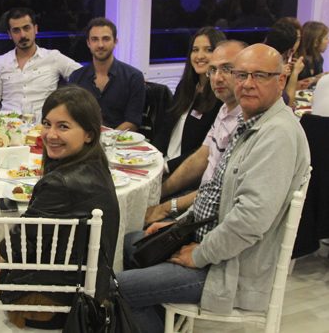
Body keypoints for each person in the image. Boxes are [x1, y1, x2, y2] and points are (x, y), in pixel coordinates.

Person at [118, 44, 310, 333]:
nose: (247, 83)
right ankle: (161, 318)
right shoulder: (249, 121)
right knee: (132, 243)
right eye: (241, 74)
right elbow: (215, 193)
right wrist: (178, 227)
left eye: (259, 75)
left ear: (281, 80)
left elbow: (249, 221)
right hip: (213, 242)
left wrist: (200, 254)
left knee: (118, 287)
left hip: (231, 268)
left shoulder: (276, 136)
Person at [0, 85, 119, 329]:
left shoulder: (59, 184)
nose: (50, 134)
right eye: (47, 124)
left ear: (89, 134)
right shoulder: (97, 165)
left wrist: (3, 254)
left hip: (56, 304)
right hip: (89, 289)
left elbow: (15, 246)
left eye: (63, 126)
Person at [148, 40, 245, 218]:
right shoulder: (225, 109)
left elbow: (220, 190)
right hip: (198, 203)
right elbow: (202, 156)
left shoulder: (248, 122)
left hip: (208, 216)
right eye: (213, 70)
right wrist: (159, 194)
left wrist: (166, 207)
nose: (217, 78)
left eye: (227, 69)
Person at [153, 27, 225, 175]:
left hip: (184, 173)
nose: (199, 56)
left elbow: (202, 150)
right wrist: (151, 157)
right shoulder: (185, 86)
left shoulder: (220, 97)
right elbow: (166, 127)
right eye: (195, 50)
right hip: (162, 163)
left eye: (208, 50)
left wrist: (166, 167)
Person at [0, 7, 81, 116]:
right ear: (10, 34)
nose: (22, 35)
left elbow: (83, 75)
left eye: (26, 28)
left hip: (43, 123)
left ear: (35, 29)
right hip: (8, 123)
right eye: (16, 30)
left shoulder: (53, 57)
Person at [68, 17, 145, 130]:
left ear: (115, 42)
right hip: (84, 137)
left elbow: (133, 121)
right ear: (88, 43)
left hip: (119, 138)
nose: (100, 45)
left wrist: (108, 137)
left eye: (106, 39)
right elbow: (70, 115)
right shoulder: (76, 77)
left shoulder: (133, 77)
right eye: (95, 39)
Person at [264, 20, 305, 108]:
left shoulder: (261, 55)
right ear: (290, 50)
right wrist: (295, 73)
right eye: (297, 39)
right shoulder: (271, 68)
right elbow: (288, 103)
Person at [296, 20, 329, 88]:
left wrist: (321, 77)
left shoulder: (319, 58)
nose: (328, 41)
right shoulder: (296, 59)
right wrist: (315, 79)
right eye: (326, 38)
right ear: (315, 42)